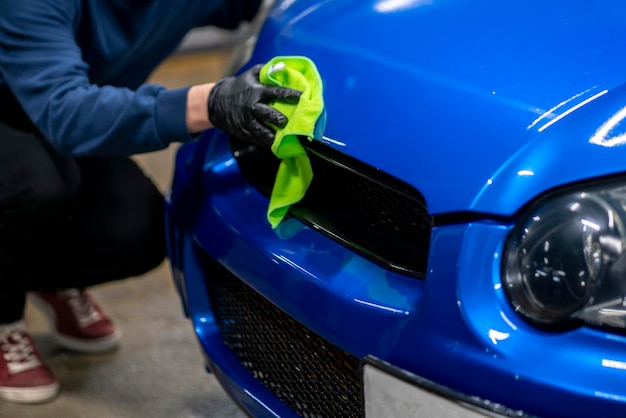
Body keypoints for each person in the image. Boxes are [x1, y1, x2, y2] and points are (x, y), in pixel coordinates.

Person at [0, 0, 301, 404]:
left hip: (71, 110)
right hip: (26, 112)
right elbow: (65, 114)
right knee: (36, 190)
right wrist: (208, 103)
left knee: (135, 229)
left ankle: (43, 276)